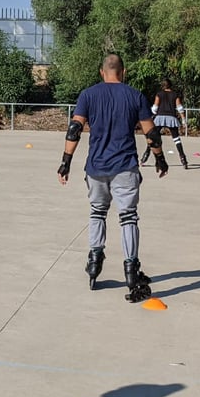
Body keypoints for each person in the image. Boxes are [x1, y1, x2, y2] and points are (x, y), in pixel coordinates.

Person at [58, 54, 168, 303]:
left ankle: (94, 261)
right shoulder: (134, 95)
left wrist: (65, 163)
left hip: (96, 167)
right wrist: (160, 159)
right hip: (125, 167)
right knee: (128, 217)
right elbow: (151, 134)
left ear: (101, 72)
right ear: (123, 72)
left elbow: (74, 130)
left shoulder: (88, 95)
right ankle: (131, 270)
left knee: (97, 212)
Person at [139, 79, 189, 169]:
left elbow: (155, 108)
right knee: (176, 139)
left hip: (159, 118)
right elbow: (179, 108)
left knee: (153, 138)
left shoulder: (159, 94)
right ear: (171, 85)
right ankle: (183, 160)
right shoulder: (175, 95)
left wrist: (150, 117)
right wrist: (183, 119)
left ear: (162, 86)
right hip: (171, 118)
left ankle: (144, 157)